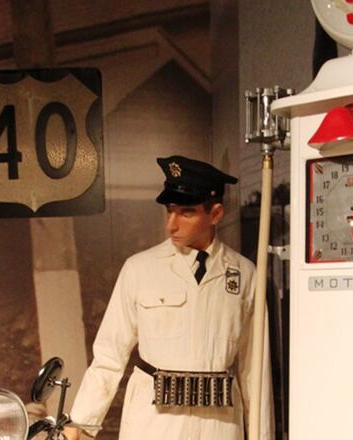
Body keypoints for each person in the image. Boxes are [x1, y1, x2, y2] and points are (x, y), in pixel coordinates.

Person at [64, 155, 265, 440]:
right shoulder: (140, 269)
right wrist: (80, 424)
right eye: (169, 211)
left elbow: (254, 371)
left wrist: (262, 434)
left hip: (218, 425)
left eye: (186, 213)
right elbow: (109, 354)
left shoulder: (245, 274)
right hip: (155, 423)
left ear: (215, 214)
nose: (172, 225)